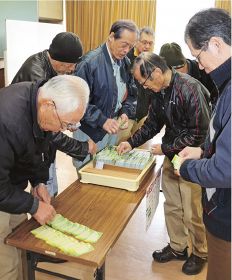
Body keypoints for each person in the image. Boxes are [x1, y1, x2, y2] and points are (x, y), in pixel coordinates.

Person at [117, 52, 211, 275]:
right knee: (172, 205)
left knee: (192, 210)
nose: (145, 87)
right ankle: (178, 247)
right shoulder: (158, 91)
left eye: (145, 81)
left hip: (192, 158)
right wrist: (131, 142)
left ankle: (200, 252)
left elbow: (200, 133)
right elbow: (152, 124)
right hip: (172, 155)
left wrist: (166, 148)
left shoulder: (190, 88)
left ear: (157, 72)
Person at [0, 75, 90, 280]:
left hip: (11, 185)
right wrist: (34, 206)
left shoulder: (39, 104)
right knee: (6, 264)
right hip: (2, 188)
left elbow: (39, 147)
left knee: (19, 243)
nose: (63, 130)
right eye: (65, 124)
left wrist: (38, 181)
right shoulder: (6, 120)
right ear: (50, 105)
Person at [176, 8, 231, 280]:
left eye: (198, 56)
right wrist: (203, 151)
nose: (198, 65)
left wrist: (188, 169)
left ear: (216, 45)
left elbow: (226, 170)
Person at [12, 32, 96, 196]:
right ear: (60, 60)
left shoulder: (53, 67)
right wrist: (81, 147)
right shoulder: (37, 76)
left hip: (37, 147)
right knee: (40, 191)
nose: (72, 70)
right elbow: (49, 131)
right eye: (71, 65)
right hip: (24, 149)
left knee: (46, 187)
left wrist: (69, 121)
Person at [73, 20, 138, 169]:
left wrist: (125, 112)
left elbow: (132, 95)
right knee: (87, 170)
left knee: (105, 168)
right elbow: (78, 103)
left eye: (131, 46)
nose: (126, 50)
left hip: (113, 128)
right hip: (90, 129)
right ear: (111, 37)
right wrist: (102, 120)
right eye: (124, 45)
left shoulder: (125, 62)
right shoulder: (89, 63)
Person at [118, 26, 155, 142]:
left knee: (138, 149)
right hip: (126, 115)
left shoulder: (152, 61)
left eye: (150, 43)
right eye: (144, 42)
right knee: (120, 147)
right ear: (137, 41)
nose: (147, 46)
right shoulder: (125, 58)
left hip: (144, 115)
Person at [159, 42, 218, 108]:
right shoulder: (164, 79)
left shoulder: (204, 71)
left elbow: (218, 98)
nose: (179, 76)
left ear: (184, 62)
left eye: (180, 70)